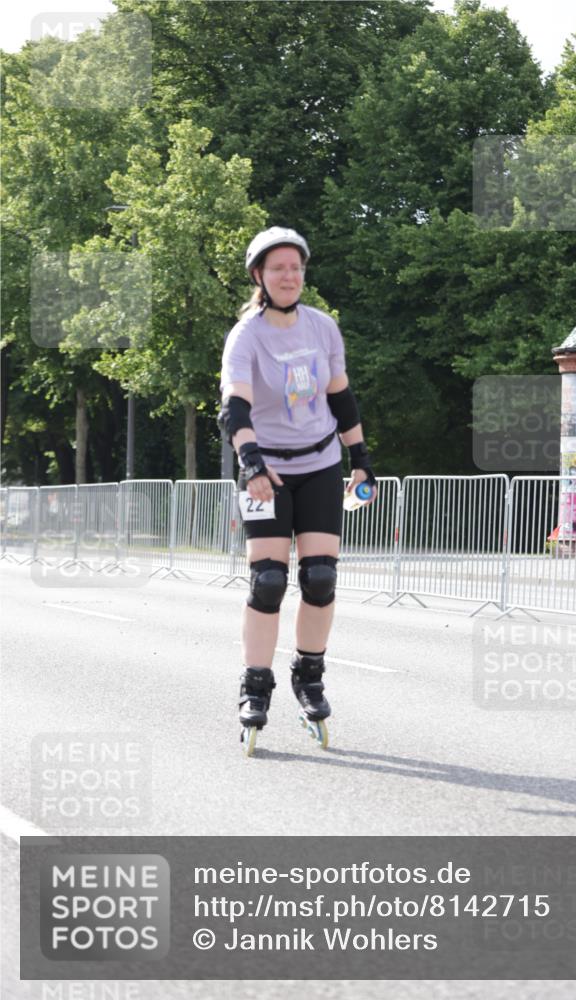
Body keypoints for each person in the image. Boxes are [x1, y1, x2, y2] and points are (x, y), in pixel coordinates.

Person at [218, 227, 377, 753]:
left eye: (296, 267)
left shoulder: (323, 328)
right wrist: (251, 461)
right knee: (267, 581)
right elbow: (234, 407)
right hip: (263, 467)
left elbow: (341, 399)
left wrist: (361, 460)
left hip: (319, 465)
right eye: (278, 268)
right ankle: (254, 685)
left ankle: (309, 675)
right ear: (259, 276)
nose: (289, 276)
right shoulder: (246, 335)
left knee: (321, 577)